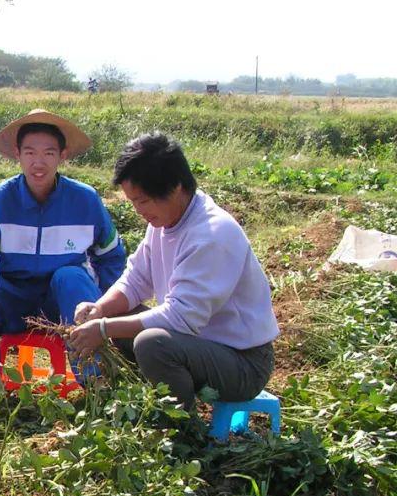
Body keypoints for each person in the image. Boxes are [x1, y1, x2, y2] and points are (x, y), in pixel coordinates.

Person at [68, 132, 278, 409]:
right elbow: (136, 279)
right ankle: (138, 407)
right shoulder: (163, 222)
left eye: (143, 201)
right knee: (120, 315)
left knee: (152, 344)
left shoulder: (211, 234)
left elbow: (183, 317)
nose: (137, 210)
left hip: (242, 363)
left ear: (176, 187)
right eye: (133, 202)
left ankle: (179, 430)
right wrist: (101, 310)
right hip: (198, 345)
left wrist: (104, 329)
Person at [0, 109, 126, 368]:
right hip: (12, 299)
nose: (38, 163)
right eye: (30, 153)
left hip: (62, 303)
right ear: (18, 155)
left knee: (71, 277)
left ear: (62, 156)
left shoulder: (85, 201)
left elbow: (111, 256)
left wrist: (105, 306)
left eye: (48, 153)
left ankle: (96, 383)